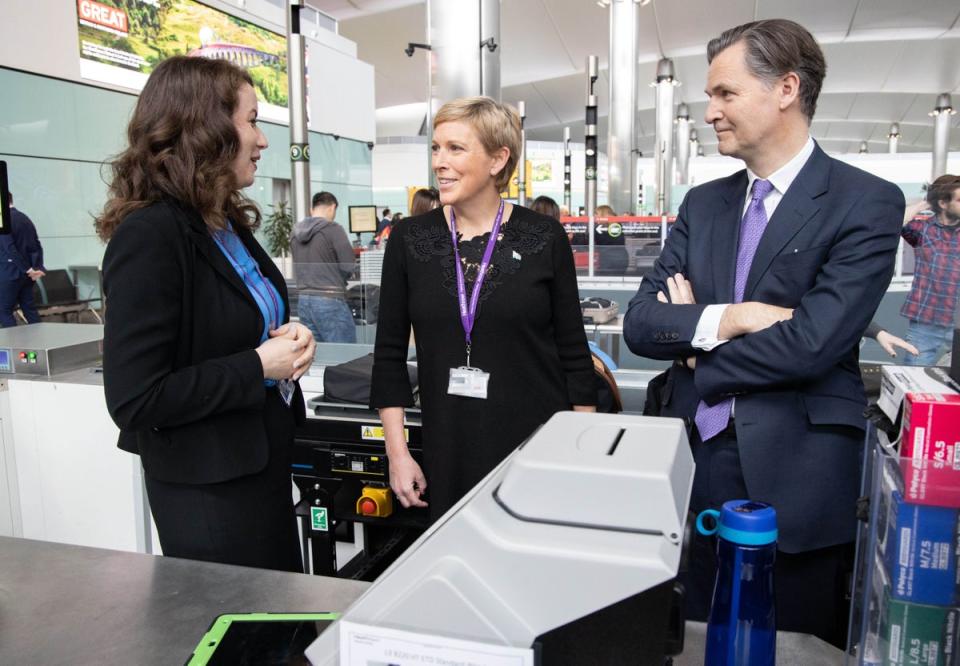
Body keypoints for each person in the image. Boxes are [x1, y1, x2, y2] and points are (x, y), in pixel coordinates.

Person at [623, 19, 903, 646]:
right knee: (691, 636)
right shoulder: (704, 204)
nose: (710, 111)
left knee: (789, 643)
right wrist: (736, 317)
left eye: (725, 93)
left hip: (795, 472)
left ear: (786, 89)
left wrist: (697, 351)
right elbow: (642, 322)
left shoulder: (864, 203)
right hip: (693, 460)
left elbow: (814, 342)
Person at [97, 56, 316, 572]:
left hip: (259, 467)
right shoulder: (150, 235)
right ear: (207, 129)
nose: (262, 140)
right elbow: (136, 398)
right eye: (252, 120)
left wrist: (291, 335)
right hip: (208, 495)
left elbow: (243, 326)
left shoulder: (224, 223)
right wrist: (259, 365)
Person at [371, 96, 597, 520]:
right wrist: (397, 455)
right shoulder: (410, 239)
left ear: (498, 159)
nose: (439, 162)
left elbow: (574, 354)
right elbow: (388, 357)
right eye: (436, 148)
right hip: (448, 445)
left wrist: (580, 452)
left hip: (537, 445)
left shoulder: (543, 237)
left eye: (456, 149)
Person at [899, 174, 960, 365]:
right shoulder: (923, 230)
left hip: (958, 323)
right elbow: (894, 222)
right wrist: (923, 204)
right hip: (926, 322)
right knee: (914, 383)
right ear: (943, 203)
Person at [291, 191, 357, 343]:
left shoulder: (294, 233)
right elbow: (348, 266)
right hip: (330, 299)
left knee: (316, 356)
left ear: (312, 209)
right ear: (332, 207)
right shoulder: (333, 229)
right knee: (344, 357)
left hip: (304, 301)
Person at [1, 192, 46, 326]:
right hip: (27, 276)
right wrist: (37, 267)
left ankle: (15, 346)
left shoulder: (4, 220)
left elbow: (9, 248)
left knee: (4, 311)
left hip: (10, 273)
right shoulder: (24, 218)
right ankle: (39, 343)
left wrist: (27, 269)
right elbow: (36, 244)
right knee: (29, 310)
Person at [594, 204, 628, 275]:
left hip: (611, 261)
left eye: (597, 214)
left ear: (603, 215)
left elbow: (603, 243)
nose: (595, 216)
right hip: (619, 259)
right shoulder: (615, 225)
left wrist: (595, 229)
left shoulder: (608, 227)